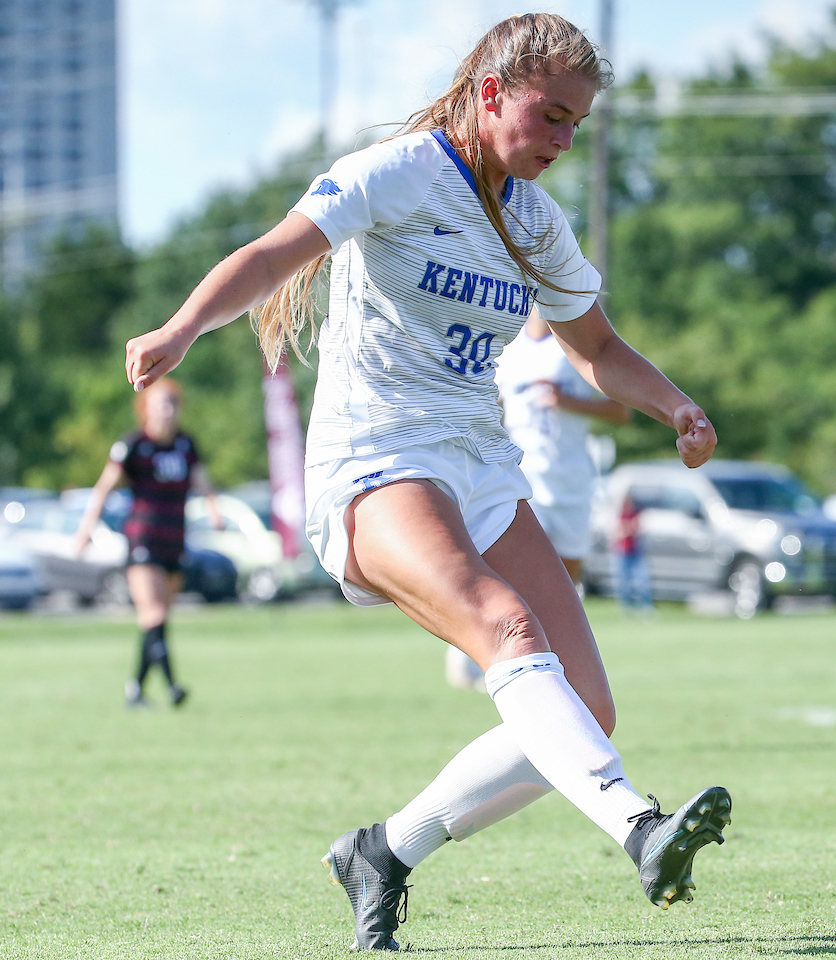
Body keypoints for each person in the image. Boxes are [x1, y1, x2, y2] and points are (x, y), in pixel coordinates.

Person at [121, 14, 730, 951]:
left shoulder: (535, 218)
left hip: (480, 465)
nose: (565, 142)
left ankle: (385, 851)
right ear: (491, 95)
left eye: (577, 126)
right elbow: (272, 255)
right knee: (508, 631)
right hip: (375, 458)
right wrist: (181, 328)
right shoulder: (400, 169)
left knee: (587, 710)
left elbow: (598, 346)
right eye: (551, 116)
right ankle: (639, 829)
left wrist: (676, 407)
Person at [447, 310, 628, 689]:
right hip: (522, 477)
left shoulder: (575, 344)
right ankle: (483, 657)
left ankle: (554, 672)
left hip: (572, 481)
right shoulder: (507, 345)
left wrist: (566, 401)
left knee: (566, 587)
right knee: (515, 576)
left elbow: (619, 411)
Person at [74, 378, 223, 708]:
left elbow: (203, 483)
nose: (167, 412)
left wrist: (215, 510)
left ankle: (135, 690)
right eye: (160, 405)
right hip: (143, 539)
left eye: (172, 404)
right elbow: (102, 489)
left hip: (175, 540)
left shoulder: (186, 445)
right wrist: (86, 529)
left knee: (155, 620)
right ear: (146, 411)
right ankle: (173, 686)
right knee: (153, 613)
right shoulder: (133, 445)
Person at [612, 491, 653, 614]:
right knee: (623, 583)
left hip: (635, 551)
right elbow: (619, 531)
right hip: (623, 551)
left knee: (642, 581)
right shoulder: (622, 515)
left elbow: (637, 528)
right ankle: (626, 609)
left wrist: (628, 528)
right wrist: (629, 528)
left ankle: (645, 608)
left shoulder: (635, 514)